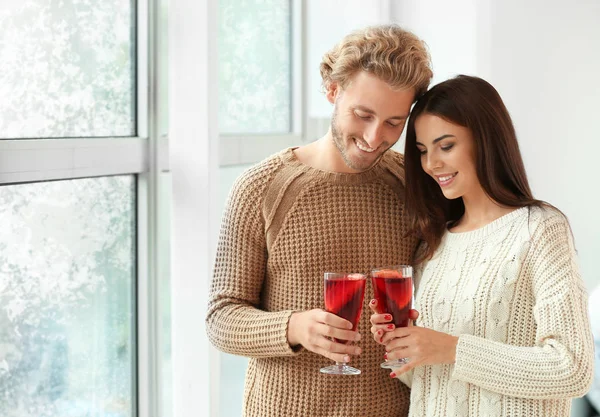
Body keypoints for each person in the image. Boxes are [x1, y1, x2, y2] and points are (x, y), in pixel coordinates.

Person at [206, 25, 433, 417]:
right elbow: (221, 317)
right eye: (363, 114)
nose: (375, 137)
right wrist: (294, 327)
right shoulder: (260, 188)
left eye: (395, 122)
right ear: (332, 90)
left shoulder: (414, 186)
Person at [370, 75, 594, 416]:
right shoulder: (434, 243)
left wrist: (452, 349)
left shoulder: (539, 229)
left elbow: (572, 369)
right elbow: (427, 382)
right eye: (422, 151)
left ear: (486, 140)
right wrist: (404, 345)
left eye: (446, 146)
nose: (431, 164)